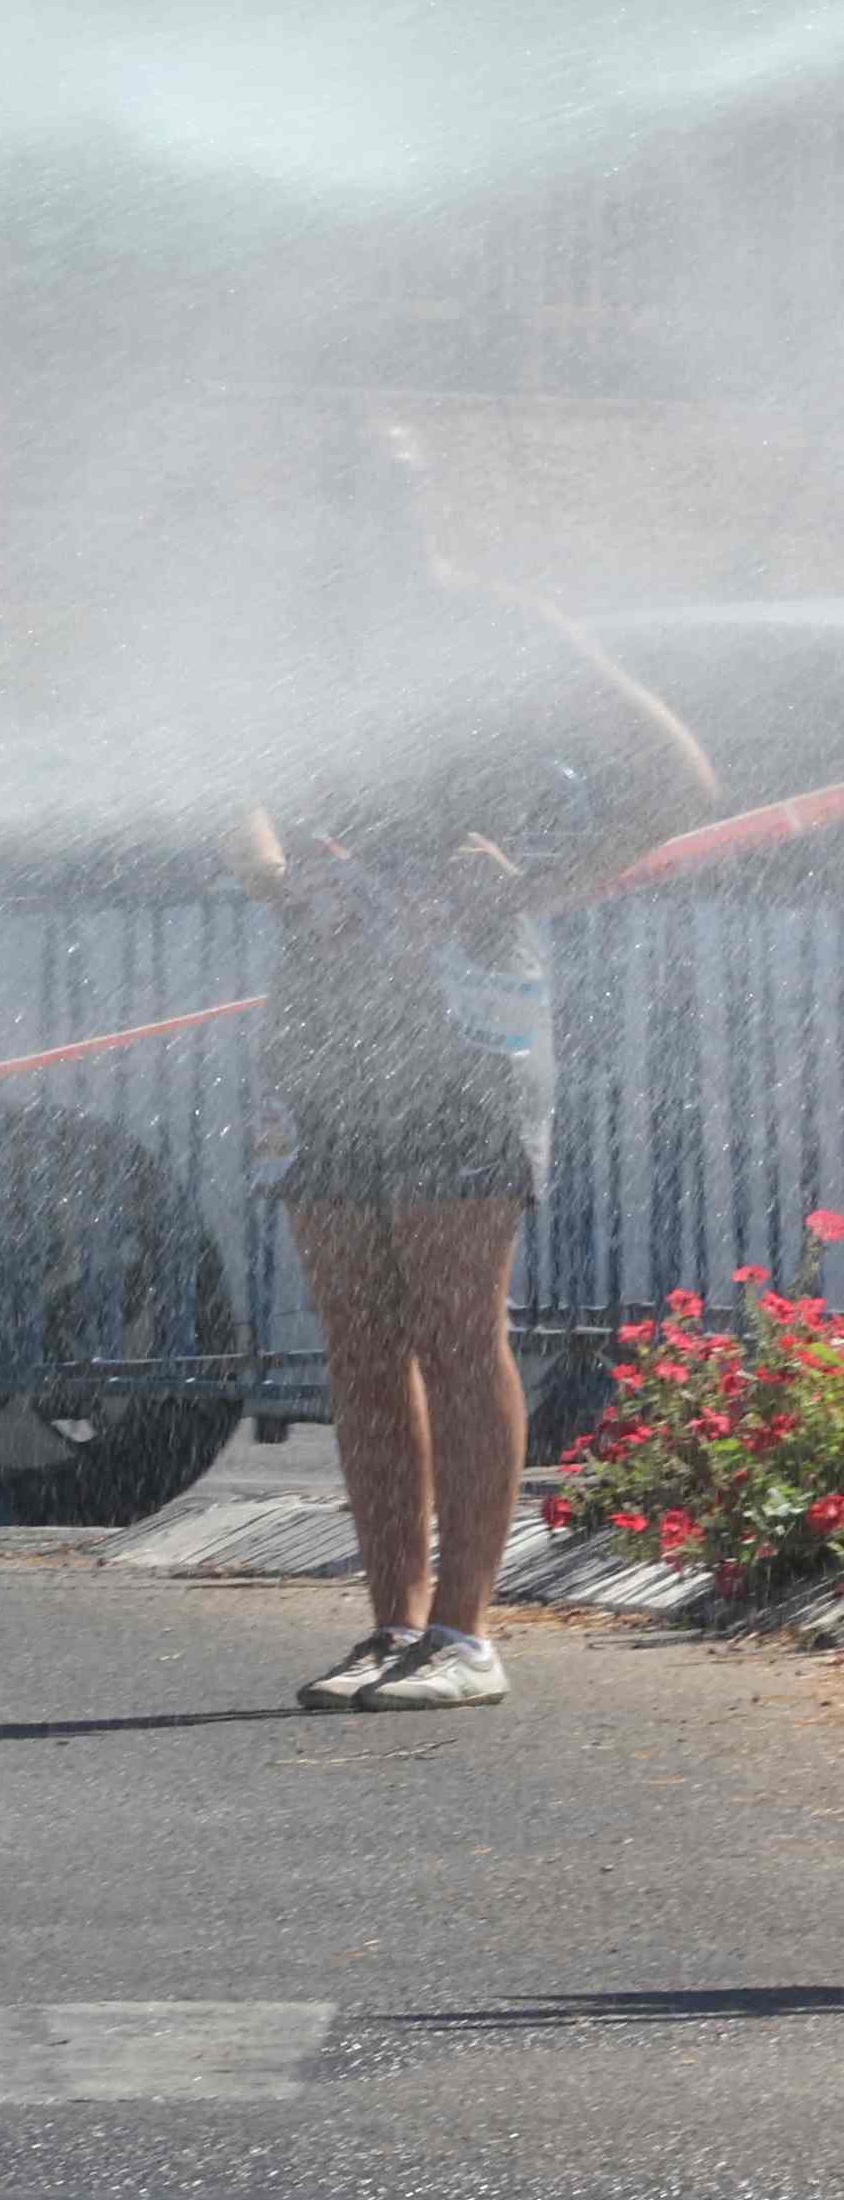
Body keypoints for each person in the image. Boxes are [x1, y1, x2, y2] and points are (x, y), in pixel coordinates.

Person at [236, 409, 712, 1712]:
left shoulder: (497, 625)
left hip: (464, 1011)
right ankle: (388, 1622)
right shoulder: (294, 642)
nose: (365, 515)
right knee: (354, 1332)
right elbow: (230, 792)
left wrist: (537, 879)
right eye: (343, 489)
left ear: (423, 502)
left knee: (455, 1316)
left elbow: (675, 773)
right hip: (328, 1008)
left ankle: (463, 1629)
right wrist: (284, 877)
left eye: (388, 489)